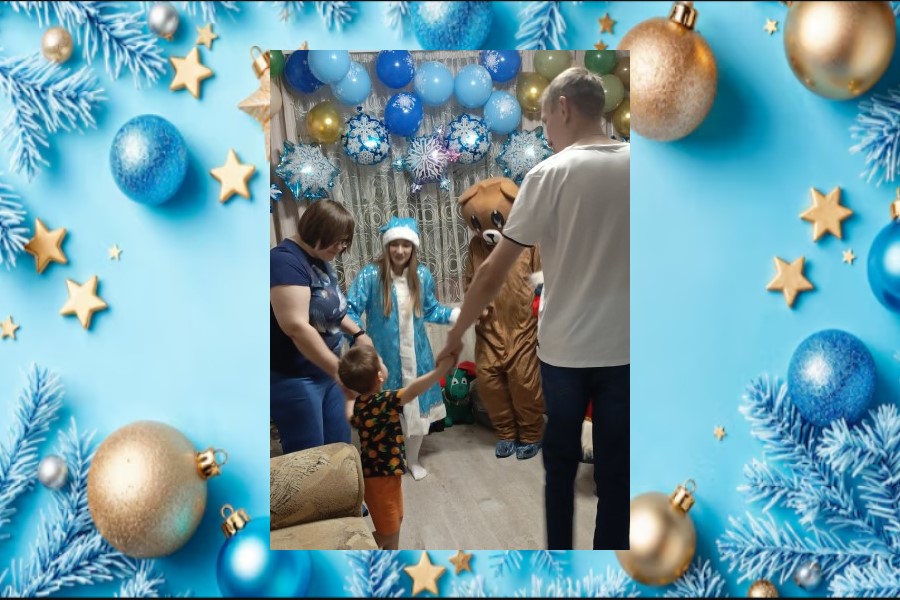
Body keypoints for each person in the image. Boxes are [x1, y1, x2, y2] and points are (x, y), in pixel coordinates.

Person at [437, 66, 630, 550]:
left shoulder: (549, 174)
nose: (546, 133)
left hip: (565, 351)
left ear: (563, 108)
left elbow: (491, 272)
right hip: (628, 349)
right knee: (619, 470)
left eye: (544, 121)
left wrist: (457, 332)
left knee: (560, 466)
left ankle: (561, 564)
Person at [346, 217, 459, 480]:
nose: (400, 250)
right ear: (386, 246)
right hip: (384, 358)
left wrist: (458, 315)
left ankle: (413, 459)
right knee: (387, 410)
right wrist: (359, 337)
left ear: (413, 247)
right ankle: (389, 458)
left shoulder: (422, 275)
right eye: (394, 244)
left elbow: (431, 309)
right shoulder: (370, 275)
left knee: (416, 409)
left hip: (418, 355)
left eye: (405, 245)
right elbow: (349, 310)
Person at [270, 199, 375, 454]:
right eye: (336, 241)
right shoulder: (283, 261)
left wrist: (358, 333)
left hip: (327, 372)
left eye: (345, 242)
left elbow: (330, 311)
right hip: (297, 378)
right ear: (314, 230)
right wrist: (339, 372)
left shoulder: (319, 258)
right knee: (310, 457)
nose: (341, 248)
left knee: (340, 448)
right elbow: (296, 326)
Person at [339, 344, 458, 549]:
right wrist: (439, 371)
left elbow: (350, 412)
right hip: (382, 478)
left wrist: (347, 393)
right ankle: (355, 550)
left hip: (379, 475)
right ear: (380, 376)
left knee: (396, 521)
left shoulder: (359, 405)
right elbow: (414, 389)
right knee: (388, 533)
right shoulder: (386, 401)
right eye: (381, 363)